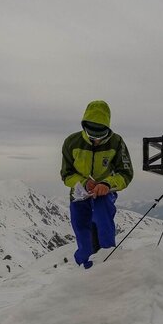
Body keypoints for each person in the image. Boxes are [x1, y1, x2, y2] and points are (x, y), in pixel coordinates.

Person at [60, 100, 133, 268]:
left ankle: (109, 267)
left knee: (104, 228)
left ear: (107, 129)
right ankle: (85, 270)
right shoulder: (72, 142)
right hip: (79, 195)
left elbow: (126, 173)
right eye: (92, 136)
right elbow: (66, 174)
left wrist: (107, 184)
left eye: (101, 137)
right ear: (84, 127)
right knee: (82, 234)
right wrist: (84, 183)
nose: (96, 141)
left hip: (104, 193)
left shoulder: (116, 142)